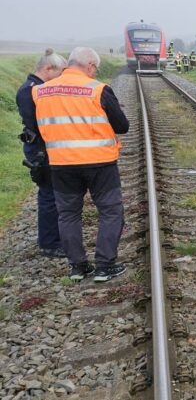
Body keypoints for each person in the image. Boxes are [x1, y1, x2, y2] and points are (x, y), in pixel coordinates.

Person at [32, 47, 130, 282]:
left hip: (61, 164)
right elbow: (121, 126)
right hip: (100, 163)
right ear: (90, 66)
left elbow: (37, 127)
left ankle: (78, 267)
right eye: (94, 68)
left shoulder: (40, 92)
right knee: (110, 211)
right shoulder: (98, 89)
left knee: (67, 214)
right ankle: (105, 266)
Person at [15, 49, 68, 259]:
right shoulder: (30, 91)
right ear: (48, 69)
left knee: (53, 194)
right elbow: (37, 125)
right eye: (60, 72)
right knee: (49, 195)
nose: (62, 77)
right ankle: (49, 244)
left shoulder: (37, 88)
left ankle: (54, 238)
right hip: (40, 150)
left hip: (44, 148)